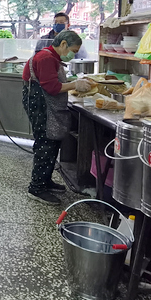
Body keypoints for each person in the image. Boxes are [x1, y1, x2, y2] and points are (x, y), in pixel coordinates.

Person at [22, 30, 96, 205]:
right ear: (63, 44)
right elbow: (52, 88)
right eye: (73, 50)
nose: (73, 54)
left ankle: (45, 180)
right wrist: (75, 84)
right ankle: (37, 187)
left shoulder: (52, 57)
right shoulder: (46, 58)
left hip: (45, 106)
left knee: (52, 142)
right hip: (41, 107)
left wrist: (72, 81)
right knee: (45, 144)